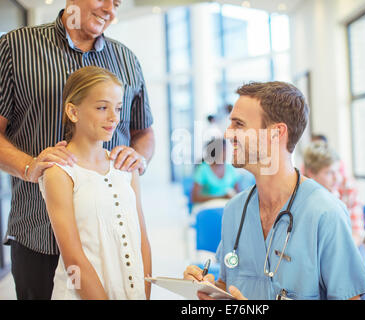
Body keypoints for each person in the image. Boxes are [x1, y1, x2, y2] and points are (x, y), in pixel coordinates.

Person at [0, 0, 154, 299]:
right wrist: (28, 166)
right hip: (36, 234)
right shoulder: (15, 48)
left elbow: (144, 132)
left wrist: (140, 158)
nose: (110, 8)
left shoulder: (127, 60)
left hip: (109, 239)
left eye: (118, 2)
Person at [183, 81, 365, 300]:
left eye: (238, 124)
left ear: (276, 133)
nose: (227, 134)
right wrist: (209, 289)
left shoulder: (325, 213)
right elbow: (228, 287)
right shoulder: (235, 210)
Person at [40, 66, 151, 299]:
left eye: (118, 108)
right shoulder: (59, 173)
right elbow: (74, 259)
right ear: (73, 111)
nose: (114, 118)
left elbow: (141, 239)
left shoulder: (125, 167)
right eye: (102, 107)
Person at [303, 141, 365, 247]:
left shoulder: (347, 187)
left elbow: (357, 232)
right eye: (329, 172)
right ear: (311, 173)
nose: (337, 178)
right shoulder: (301, 194)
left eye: (338, 171)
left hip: (346, 248)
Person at [191, 138, 240, 205]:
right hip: (207, 208)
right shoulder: (203, 168)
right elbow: (195, 198)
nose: (226, 153)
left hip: (225, 207)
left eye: (225, 150)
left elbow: (238, 194)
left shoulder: (230, 168)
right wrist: (221, 198)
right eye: (223, 150)